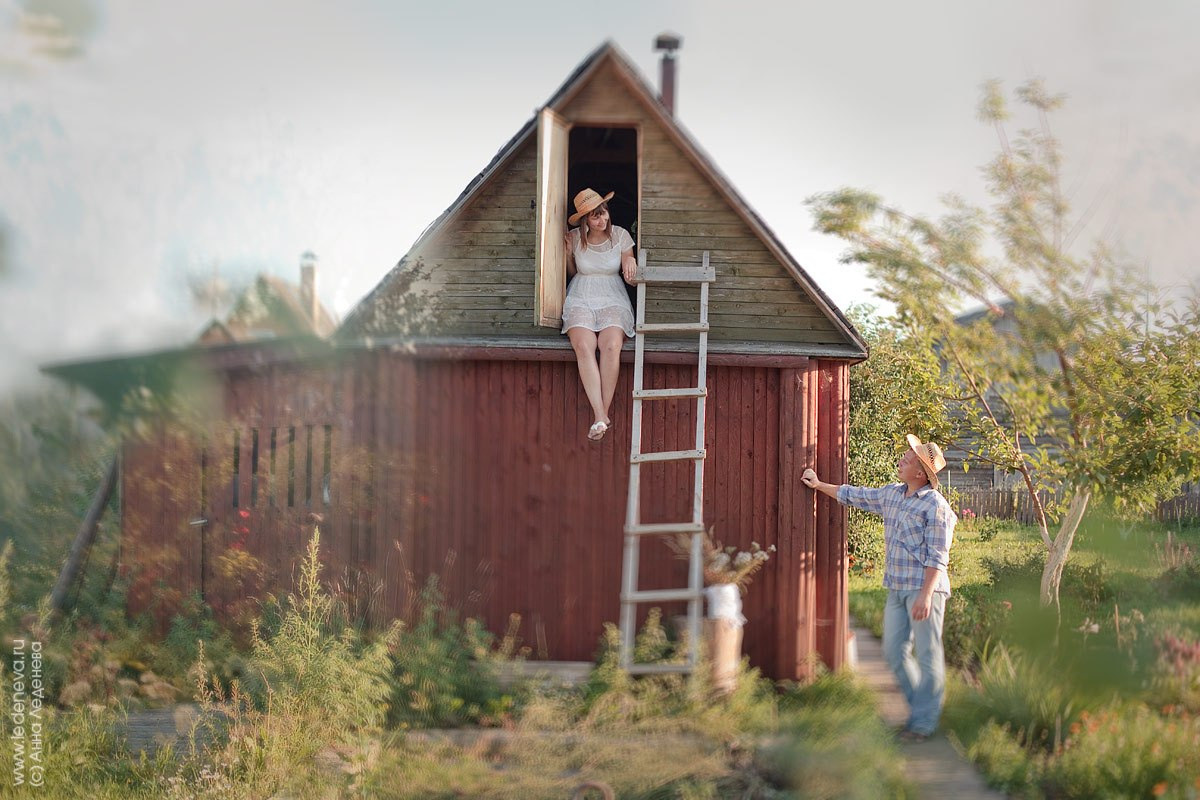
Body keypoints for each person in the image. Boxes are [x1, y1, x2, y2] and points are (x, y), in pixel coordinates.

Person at [800, 434, 956, 742]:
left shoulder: (936, 508)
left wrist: (926, 596)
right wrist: (818, 485)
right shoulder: (892, 495)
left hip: (925, 590)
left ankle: (923, 724)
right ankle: (921, 711)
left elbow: (938, 557)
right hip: (897, 588)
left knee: (928, 655)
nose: (900, 461)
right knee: (893, 652)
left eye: (907, 460)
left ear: (920, 473)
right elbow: (854, 495)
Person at [561, 188, 637, 441]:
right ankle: (600, 415)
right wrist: (567, 255)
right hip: (581, 294)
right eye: (595, 216)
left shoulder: (620, 235)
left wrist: (630, 262)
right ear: (585, 220)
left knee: (611, 345)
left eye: (603, 213)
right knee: (584, 345)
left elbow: (630, 273)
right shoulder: (574, 237)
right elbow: (572, 273)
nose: (602, 219)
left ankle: (601, 417)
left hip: (613, 295)